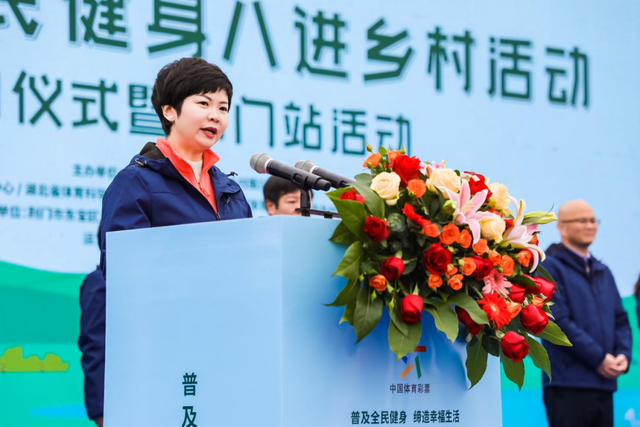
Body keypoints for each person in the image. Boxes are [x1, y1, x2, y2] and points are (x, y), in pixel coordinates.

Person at [79, 57, 252, 427]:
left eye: (223, 108)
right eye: (203, 103)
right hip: (162, 366)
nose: (215, 116)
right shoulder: (136, 183)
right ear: (169, 110)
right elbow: (123, 281)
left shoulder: (231, 192)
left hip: (227, 364)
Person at [541, 199, 632, 427]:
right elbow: (558, 321)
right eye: (582, 220)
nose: (590, 225)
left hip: (603, 385)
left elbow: (621, 319)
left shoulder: (603, 271)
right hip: (567, 385)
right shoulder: (548, 268)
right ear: (561, 227)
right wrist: (599, 358)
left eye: (593, 220)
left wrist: (623, 354)